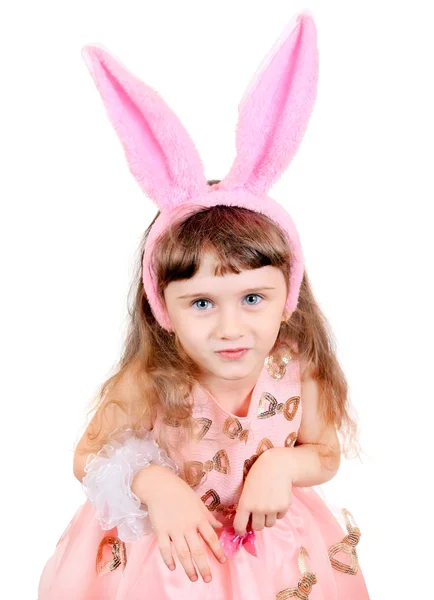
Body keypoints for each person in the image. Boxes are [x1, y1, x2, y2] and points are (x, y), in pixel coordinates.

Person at [38, 10, 371, 600]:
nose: (229, 326)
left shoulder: (298, 368)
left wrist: (284, 467)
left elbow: (323, 450)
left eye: (251, 297)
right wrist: (153, 485)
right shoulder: (153, 376)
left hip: (276, 560)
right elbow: (86, 456)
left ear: (287, 295)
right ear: (161, 306)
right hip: (170, 560)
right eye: (200, 303)